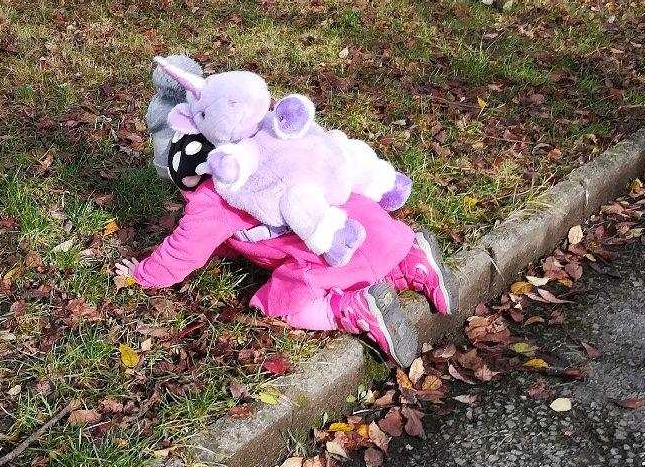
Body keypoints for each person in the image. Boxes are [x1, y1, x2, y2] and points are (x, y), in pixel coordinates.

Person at [117, 124, 459, 368]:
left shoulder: (212, 200)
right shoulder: (274, 152)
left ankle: (352, 309)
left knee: (284, 304)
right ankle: (411, 263)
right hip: (375, 226)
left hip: (334, 253)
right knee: (371, 255)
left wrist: (143, 274)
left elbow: (182, 252)